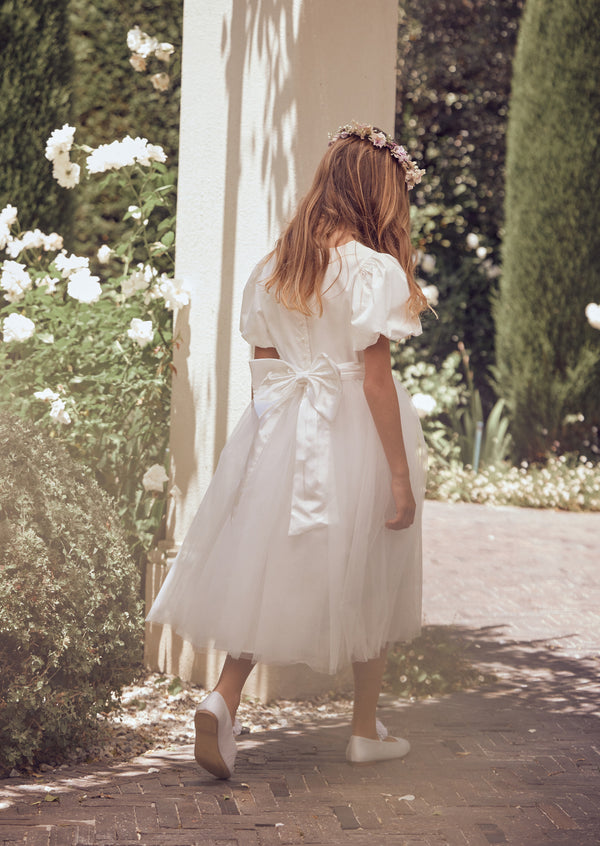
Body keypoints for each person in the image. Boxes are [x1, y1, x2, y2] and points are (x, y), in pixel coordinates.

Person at [147, 120, 429, 779]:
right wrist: (398, 476)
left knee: (273, 563)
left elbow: (265, 366)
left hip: (282, 429)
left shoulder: (278, 265)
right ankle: (363, 728)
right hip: (354, 432)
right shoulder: (372, 271)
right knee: (371, 568)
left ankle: (224, 695)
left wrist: (270, 438)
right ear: (377, 195)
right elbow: (376, 381)